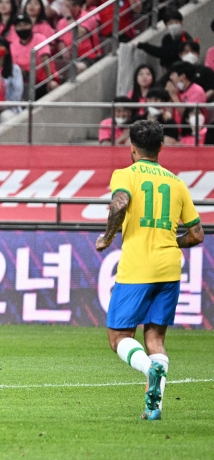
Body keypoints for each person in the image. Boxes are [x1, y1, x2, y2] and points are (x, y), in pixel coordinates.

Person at [95, 120, 203, 421]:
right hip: (169, 268)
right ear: (161, 147)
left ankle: (148, 368)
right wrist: (171, 240)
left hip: (137, 266)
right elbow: (196, 235)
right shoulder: (176, 183)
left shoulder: (125, 175)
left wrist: (108, 235)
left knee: (118, 336)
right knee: (155, 338)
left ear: (132, 148)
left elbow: (119, 203)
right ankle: (154, 408)